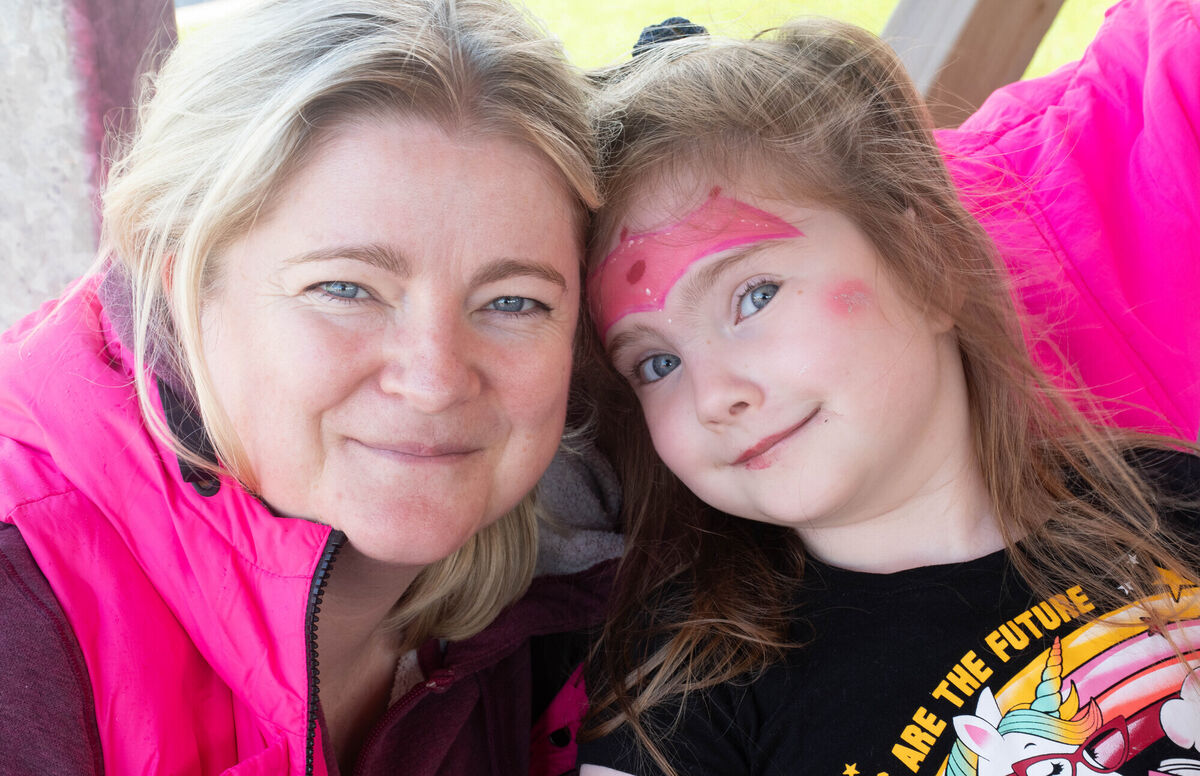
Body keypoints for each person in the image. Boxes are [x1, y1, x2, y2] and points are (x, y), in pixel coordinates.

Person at [577, 0, 1200, 774]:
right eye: (656, 363)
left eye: (754, 296)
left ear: (928, 262)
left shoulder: (1168, 498)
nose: (713, 396)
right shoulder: (683, 691)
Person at [0, 0, 622, 773]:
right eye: (345, 288)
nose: (434, 381)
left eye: (513, 302)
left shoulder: (574, 574)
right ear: (184, 292)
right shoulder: (19, 614)